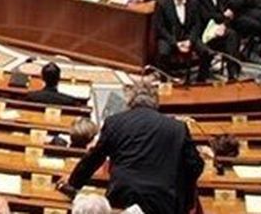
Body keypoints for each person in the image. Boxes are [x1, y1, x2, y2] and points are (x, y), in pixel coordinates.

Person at [60, 79, 203, 214]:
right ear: (156, 102)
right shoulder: (177, 128)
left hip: (123, 196)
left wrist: (73, 183)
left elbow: (94, 158)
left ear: (130, 101)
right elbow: (195, 166)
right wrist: (185, 200)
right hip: (162, 200)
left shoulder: (114, 122)